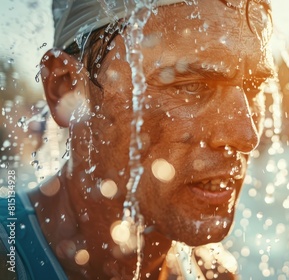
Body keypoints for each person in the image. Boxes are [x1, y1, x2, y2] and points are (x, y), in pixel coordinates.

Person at [0, 0, 274, 279]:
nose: (246, 136)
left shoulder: (215, 272)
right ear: (67, 88)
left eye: (254, 88)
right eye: (191, 86)